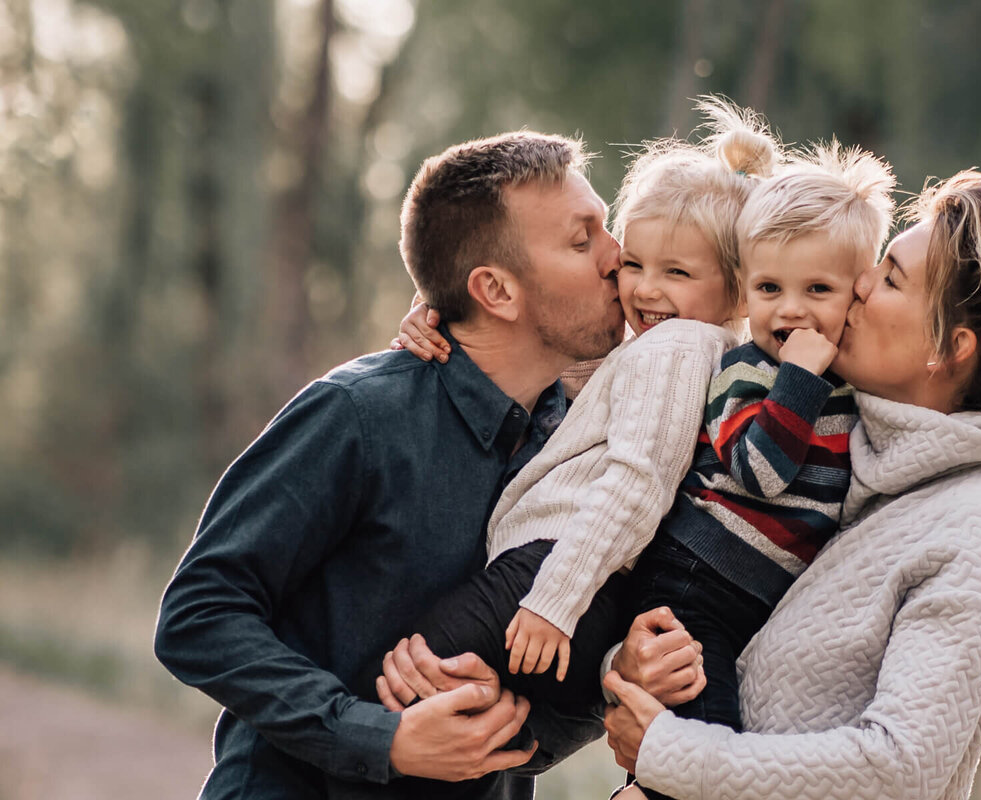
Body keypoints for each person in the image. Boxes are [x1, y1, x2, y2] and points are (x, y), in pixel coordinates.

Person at [381, 102, 895, 787]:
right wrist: (446, 314)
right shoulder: (680, 349)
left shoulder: (683, 348)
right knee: (470, 730)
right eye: (635, 263)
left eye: (676, 274)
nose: (646, 289)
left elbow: (638, 479)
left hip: (557, 571)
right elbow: (561, 370)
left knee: (396, 693)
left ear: (737, 287)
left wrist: (552, 602)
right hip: (594, 586)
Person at [602, 145, 981, 800]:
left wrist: (672, 756)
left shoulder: (977, 534)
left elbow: (901, 767)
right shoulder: (836, 444)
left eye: (892, 278)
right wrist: (628, 664)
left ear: (948, 348)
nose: (860, 284)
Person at [153, 130, 627, 800]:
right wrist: (380, 736)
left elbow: (578, 682)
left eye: (606, 229)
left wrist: (515, 723)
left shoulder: (595, 447)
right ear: (495, 289)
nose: (618, 257)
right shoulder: (360, 415)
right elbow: (198, 614)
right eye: (583, 241)